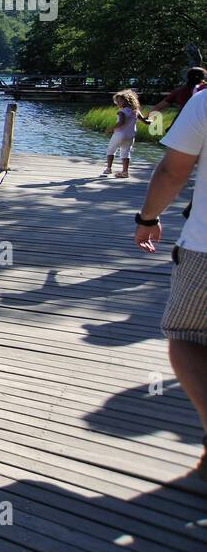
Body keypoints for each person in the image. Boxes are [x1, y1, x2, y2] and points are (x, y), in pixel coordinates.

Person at [133, 87, 207, 483]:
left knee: (188, 334)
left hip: (204, 248)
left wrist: (147, 218)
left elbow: (174, 171)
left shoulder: (204, 100)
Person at [103, 89, 150, 178]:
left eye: (119, 101)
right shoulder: (136, 111)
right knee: (125, 152)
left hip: (119, 134)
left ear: (126, 101)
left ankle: (108, 169)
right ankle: (125, 172)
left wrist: (110, 129)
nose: (117, 103)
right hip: (130, 135)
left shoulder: (121, 112)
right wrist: (150, 121)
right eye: (116, 101)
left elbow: (121, 123)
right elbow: (145, 122)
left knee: (111, 150)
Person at [148, 67, 206, 133]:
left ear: (188, 77)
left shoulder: (179, 91)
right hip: (201, 126)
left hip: (180, 126)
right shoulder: (204, 90)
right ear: (204, 78)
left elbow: (158, 107)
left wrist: (149, 119)